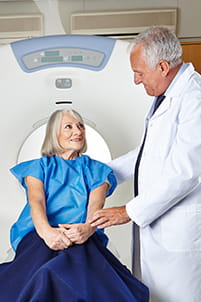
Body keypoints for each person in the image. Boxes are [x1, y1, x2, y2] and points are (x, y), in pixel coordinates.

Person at [90, 26, 201, 302]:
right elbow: (147, 153)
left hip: (179, 236)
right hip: (157, 232)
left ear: (162, 67)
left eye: (139, 72)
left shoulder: (194, 99)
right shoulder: (165, 97)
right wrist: (103, 174)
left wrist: (126, 212)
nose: (136, 81)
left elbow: (186, 172)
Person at [0, 109, 149, 302]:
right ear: (55, 134)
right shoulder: (38, 167)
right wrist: (47, 232)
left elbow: (96, 205)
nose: (77, 131)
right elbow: (36, 201)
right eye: (68, 127)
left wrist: (87, 229)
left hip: (81, 233)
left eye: (80, 126)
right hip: (40, 233)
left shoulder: (97, 170)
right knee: (42, 272)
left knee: (76, 272)